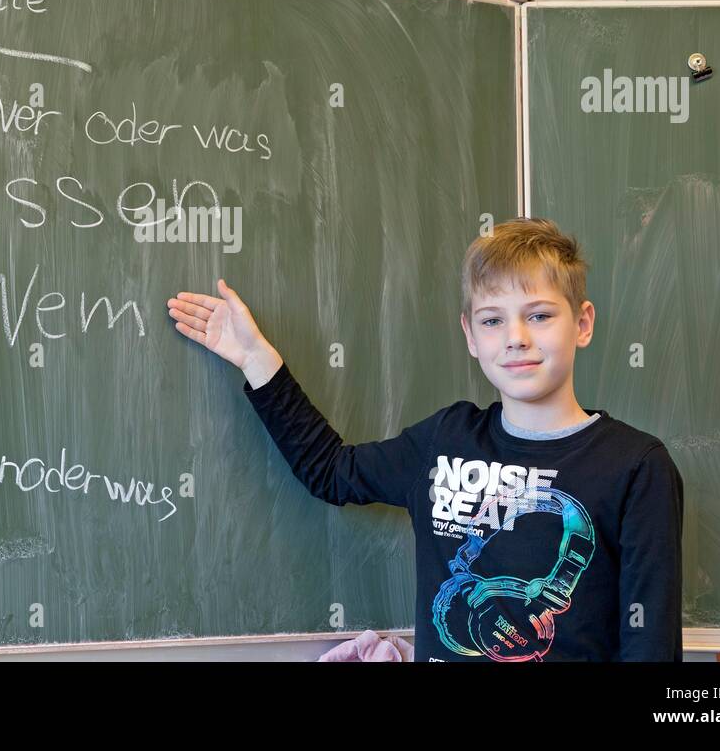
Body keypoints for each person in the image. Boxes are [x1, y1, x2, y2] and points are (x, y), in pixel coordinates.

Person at [167, 217, 684, 661]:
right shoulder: (445, 440)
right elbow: (329, 470)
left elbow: (651, 646)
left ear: (583, 323)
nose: (516, 338)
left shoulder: (636, 466)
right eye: (492, 320)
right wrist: (255, 358)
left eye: (540, 315)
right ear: (470, 336)